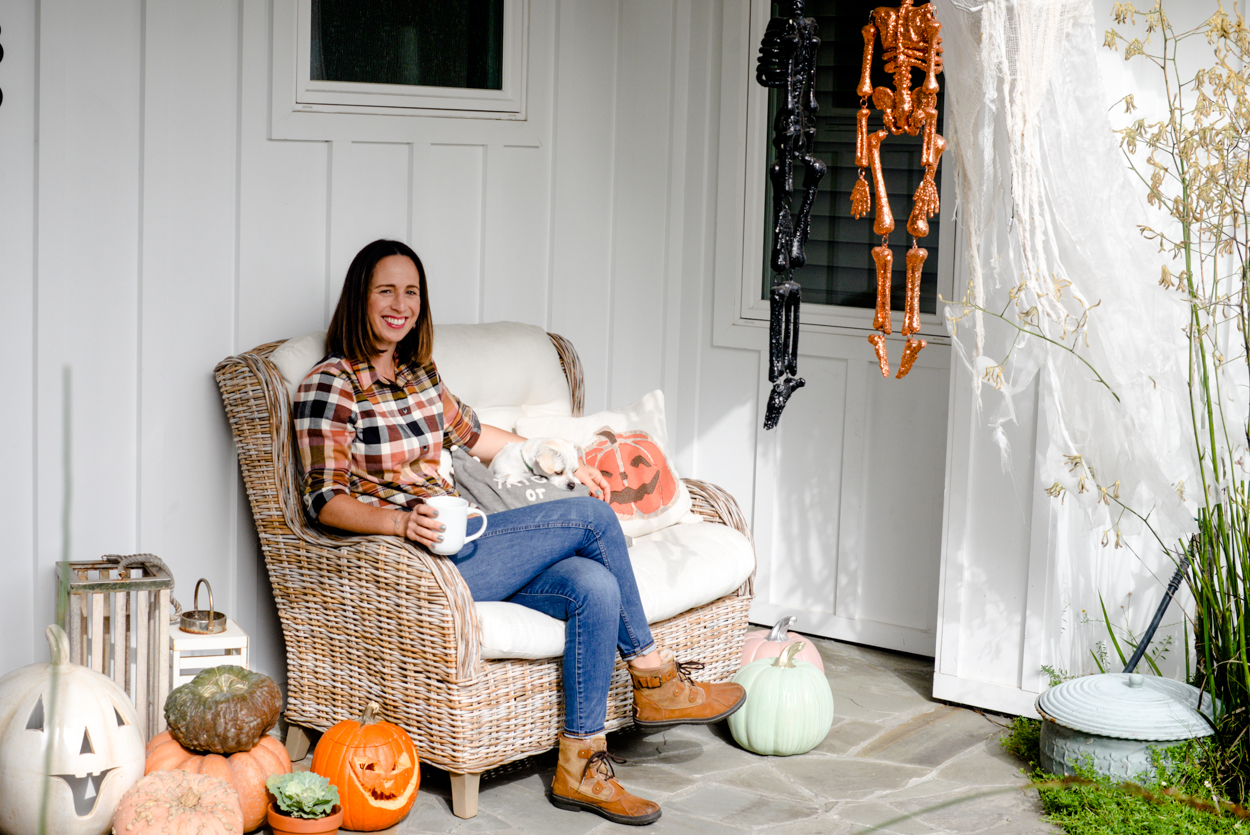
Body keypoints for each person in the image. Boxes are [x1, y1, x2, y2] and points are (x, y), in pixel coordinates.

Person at [294, 239, 745, 825]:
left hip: (476, 543)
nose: (400, 305)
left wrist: (558, 458)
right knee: (594, 517)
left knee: (593, 585)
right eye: (386, 291)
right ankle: (655, 677)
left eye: (412, 292)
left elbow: (479, 439)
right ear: (360, 297)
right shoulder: (331, 385)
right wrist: (402, 521)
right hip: (421, 564)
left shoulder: (419, 374)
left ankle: (581, 765)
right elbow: (325, 501)